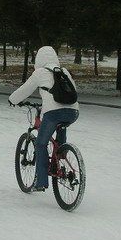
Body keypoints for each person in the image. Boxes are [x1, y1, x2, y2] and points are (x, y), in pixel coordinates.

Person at [8, 45, 79, 191]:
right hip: (73, 112)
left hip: (53, 113)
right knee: (60, 132)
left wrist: (12, 100)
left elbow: (24, 90)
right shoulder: (64, 72)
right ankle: (60, 157)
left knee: (41, 144)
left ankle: (40, 182)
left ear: (38, 59)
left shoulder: (40, 73)